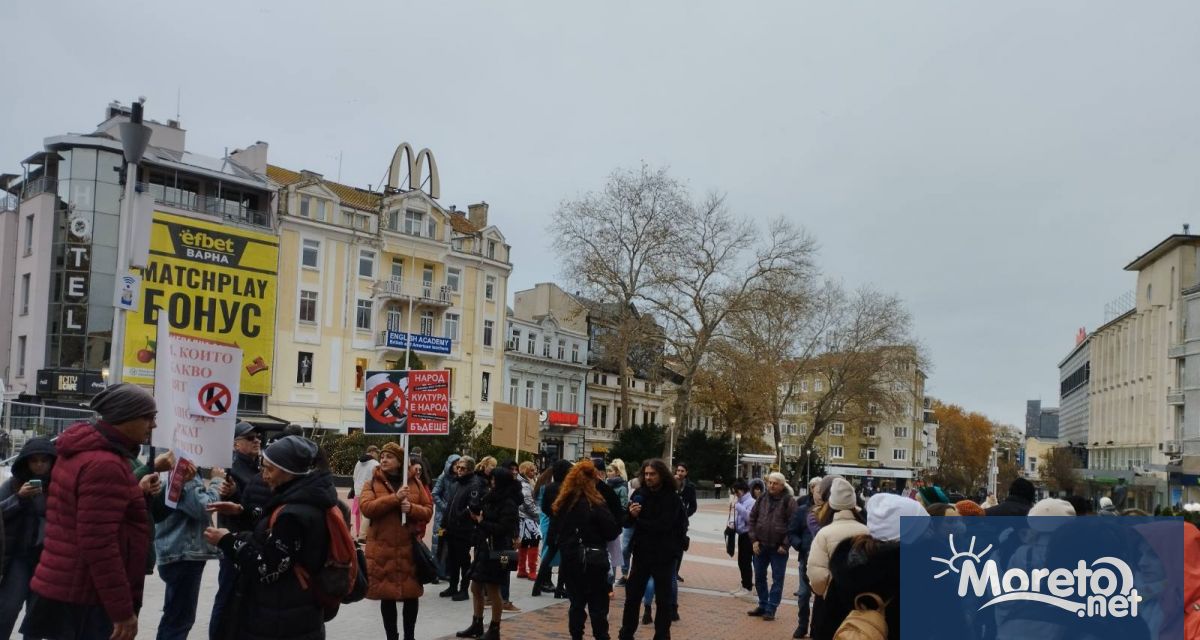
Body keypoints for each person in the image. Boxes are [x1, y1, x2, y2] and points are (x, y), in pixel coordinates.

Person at [21, 383, 158, 640]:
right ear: (123, 417)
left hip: (72, 588)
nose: (153, 425)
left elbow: (90, 519)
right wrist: (121, 610)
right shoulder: (104, 464)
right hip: (87, 597)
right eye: (148, 417)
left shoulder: (85, 453)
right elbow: (99, 543)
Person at [204, 435, 338, 640]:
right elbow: (272, 528)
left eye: (270, 469)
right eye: (263, 467)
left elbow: (266, 567)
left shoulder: (294, 513)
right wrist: (242, 511)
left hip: (283, 616)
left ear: (289, 472)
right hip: (293, 611)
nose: (264, 475)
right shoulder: (304, 497)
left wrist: (227, 541)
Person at [360, 443, 433, 640]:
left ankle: (410, 636)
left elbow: (427, 509)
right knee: (387, 595)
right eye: (382, 456)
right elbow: (367, 508)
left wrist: (411, 509)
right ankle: (391, 636)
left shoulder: (414, 483)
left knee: (411, 594)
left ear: (399, 461)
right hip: (382, 549)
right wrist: (395, 498)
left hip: (409, 549)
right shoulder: (372, 482)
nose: (383, 460)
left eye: (389, 457)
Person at [208, 420, 273, 639]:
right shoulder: (233, 469)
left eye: (257, 437)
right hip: (233, 541)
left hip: (252, 539)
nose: (257, 440)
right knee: (227, 595)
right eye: (250, 438)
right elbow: (235, 503)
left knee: (243, 596)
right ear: (236, 444)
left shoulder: (258, 466)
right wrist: (232, 493)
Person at [153, 458, 225, 640]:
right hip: (183, 553)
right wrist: (217, 481)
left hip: (175, 551)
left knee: (174, 616)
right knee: (179, 621)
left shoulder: (175, 465)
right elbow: (203, 507)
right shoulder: (186, 470)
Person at [550, 461, 622, 640]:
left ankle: (576, 637)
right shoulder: (595, 503)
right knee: (598, 606)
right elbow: (612, 530)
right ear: (591, 480)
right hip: (594, 559)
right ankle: (601, 636)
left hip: (571, 559)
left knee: (576, 604)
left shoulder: (563, 503)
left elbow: (553, 535)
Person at [618, 458, 687, 640]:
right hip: (642, 553)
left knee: (663, 601)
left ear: (661, 475)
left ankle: (662, 635)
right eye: (646, 474)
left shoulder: (671, 498)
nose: (648, 478)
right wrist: (631, 516)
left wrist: (639, 520)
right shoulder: (639, 494)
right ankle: (626, 634)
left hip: (664, 555)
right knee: (632, 597)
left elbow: (664, 525)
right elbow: (625, 521)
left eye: (652, 474)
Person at [0, 436, 56, 639]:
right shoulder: (14, 484)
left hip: (47, 558)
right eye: (34, 460)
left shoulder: (59, 485)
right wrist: (19, 498)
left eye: (44, 460)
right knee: (8, 608)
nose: (39, 465)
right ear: (26, 462)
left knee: (36, 615)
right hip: (19, 557)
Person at [456, 467, 521, 640]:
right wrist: (471, 510)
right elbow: (480, 509)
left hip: (498, 549)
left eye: (494, 479)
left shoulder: (509, 503)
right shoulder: (491, 497)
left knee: (493, 589)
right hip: (483, 547)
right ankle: (477, 623)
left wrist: (481, 522)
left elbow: (502, 529)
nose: (491, 482)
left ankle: (494, 629)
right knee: (475, 587)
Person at [807, 478, 867, 640]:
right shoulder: (867, 531)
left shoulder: (825, 532)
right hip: (859, 602)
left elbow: (817, 575)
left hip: (830, 601)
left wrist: (826, 591)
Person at [747, 472, 796, 622]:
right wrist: (754, 540)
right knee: (760, 576)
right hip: (760, 545)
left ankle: (771, 608)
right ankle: (762, 604)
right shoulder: (762, 498)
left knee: (777, 579)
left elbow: (793, 525)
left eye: (775, 483)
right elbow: (752, 519)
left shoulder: (789, 501)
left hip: (778, 548)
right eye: (769, 483)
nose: (771, 485)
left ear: (782, 485)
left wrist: (785, 544)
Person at [443, 455, 483, 601]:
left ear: (470, 469)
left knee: (463, 560)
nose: (459, 470)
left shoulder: (474, 484)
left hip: (464, 529)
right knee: (452, 559)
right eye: (458, 467)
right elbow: (449, 504)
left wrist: (461, 514)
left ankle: (464, 589)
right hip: (452, 527)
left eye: (463, 468)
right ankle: (452, 586)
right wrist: (444, 522)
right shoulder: (456, 483)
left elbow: (473, 506)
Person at [787, 476, 821, 639]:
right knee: (803, 594)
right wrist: (799, 544)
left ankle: (817, 627)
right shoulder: (802, 510)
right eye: (817, 489)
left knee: (822, 598)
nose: (820, 494)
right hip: (806, 558)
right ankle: (802, 625)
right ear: (812, 489)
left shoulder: (831, 511)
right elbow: (792, 531)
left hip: (824, 561)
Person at [533, 460, 574, 597]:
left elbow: (544, 507)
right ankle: (560, 589)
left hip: (553, 524)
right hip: (566, 526)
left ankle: (537, 587)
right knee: (564, 558)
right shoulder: (569, 488)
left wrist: (553, 514)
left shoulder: (549, 487)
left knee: (548, 556)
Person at [432, 453, 463, 579]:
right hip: (442, 518)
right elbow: (435, 494)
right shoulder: (443, 477)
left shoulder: (461, 478)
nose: (457, 467)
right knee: (439, 544)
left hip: (455, 518)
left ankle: (447, 572)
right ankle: (436, 572)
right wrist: (446, 508)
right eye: (455, 464)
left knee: (452, 546)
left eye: (459, 464)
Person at [516, 461, 543, 580]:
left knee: (524, 543)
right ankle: (531, 570)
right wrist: (538, 515)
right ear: (525, 471)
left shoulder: (524, 482)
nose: (534, 472)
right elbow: (528, 502)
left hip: (524, 517)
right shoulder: (525, 484)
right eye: (531, 470)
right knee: (534, 542)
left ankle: (522, 569)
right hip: (528, 518)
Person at [672, 462, 697, 583]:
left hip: (682, 523)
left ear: (686, 473)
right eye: (678, 470)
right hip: (669, 521)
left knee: (679, 547)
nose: (680, 473)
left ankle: (675, 572)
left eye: (682, 471)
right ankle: (669, 570)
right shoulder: (670, 484)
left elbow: (693, 506)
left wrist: (685, 514)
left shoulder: (690, 487)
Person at [731, 479, 756, 595]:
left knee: (746, 561)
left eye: (737, 492)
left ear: (742, 490)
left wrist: (737, 506)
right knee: (741, 561)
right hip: (741, 534)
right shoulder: (740, 501)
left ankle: (748, 587)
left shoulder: (751, 502)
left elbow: (749, 518)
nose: (736, 494)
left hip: (748, 535)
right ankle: (744, 584)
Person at [351, 445, 381, 538]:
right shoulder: (375, 463)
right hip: (368, 491)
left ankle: (358, 532)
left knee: (358, 514)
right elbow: (377, 478)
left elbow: (354, 477)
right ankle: (363, 536)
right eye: (377, 453)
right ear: (372, 452)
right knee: (367, 514)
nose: (378, 455)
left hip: (357, 491)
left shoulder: (358, 463)